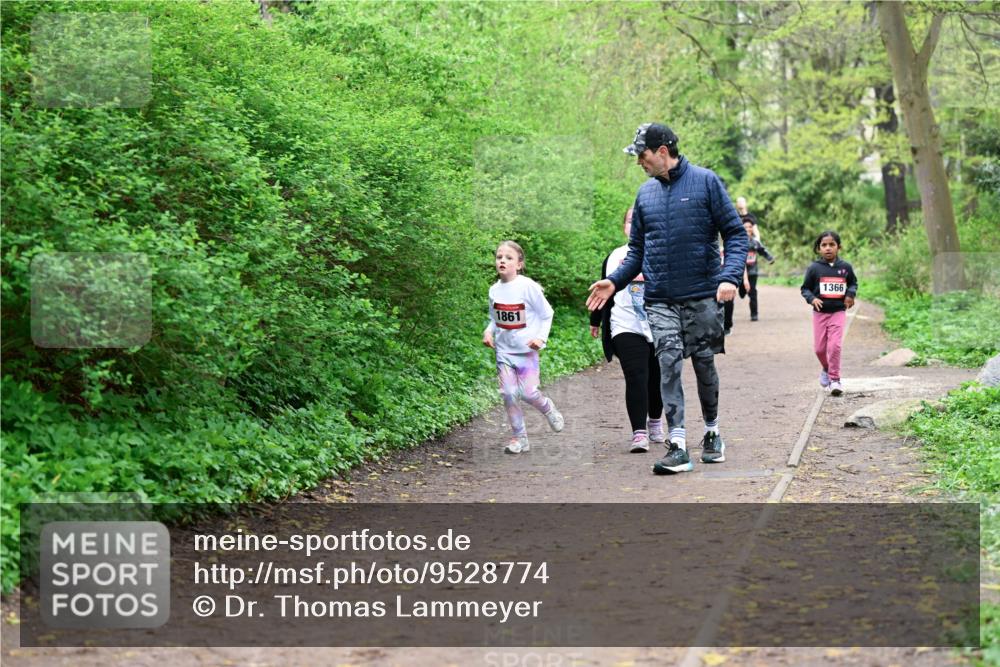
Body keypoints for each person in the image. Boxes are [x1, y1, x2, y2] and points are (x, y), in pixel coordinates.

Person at [587, 123, 748, 475]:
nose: (638, 163)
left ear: (662, 151)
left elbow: (735, 235)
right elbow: (637, 252)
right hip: (659, 299)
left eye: (641, 155)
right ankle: (677, 445)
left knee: (704, 366)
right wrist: (613, 282)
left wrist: (729, 277)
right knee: (668, 365)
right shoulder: (645, 195)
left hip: (702, 295)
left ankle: (711, 432)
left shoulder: (706, 182)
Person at [589, 207, 666, 453]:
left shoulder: (662, 252)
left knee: (658, 378)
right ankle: (639, 433)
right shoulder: (615, 257)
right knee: (636, 376)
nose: (634, 225)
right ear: (624, 227)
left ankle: (655, 420)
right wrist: (596, 320)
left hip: (660, 323)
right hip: (625, 323)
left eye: (640, 221)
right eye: (631, 221)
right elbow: (603, 291)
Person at [484, 240, 564, 454]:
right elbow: (494, 318)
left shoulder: (528, 287)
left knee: (528, 394)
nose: (502, 260)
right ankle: (519, 438)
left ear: (519, 264)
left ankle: (548, 408)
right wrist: (488, 331)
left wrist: (540, 338)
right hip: (504, 352)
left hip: (526, 352)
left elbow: (547, 314)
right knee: (509, 393)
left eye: (509, 257)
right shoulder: (494, 290)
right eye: (499, 257)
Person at [800, 230, 858, 397]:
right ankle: (826, 368)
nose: (828, 248)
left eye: (831, 245)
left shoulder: (845, 267)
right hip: (820, 313)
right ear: (819, 249)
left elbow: (853, 283)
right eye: (824, 245)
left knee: (835, 346)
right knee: (819, 349)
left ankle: (835, 379)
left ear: (838, 247)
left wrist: (850, 294)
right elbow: (805, 288)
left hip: (838, 311)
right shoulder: (814, 268)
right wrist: (812, 299)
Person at [740, 216, 775, 321]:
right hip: (741, 272)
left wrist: (770, 258)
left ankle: (754, 314)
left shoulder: (755, 242)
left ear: (752, 229)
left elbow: (763, 251)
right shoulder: (738, 242)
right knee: (742, 292)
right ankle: (742, 291)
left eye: (750, 227)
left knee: (753, 292)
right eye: (745, 227)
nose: (748, 229)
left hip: (753, 272)